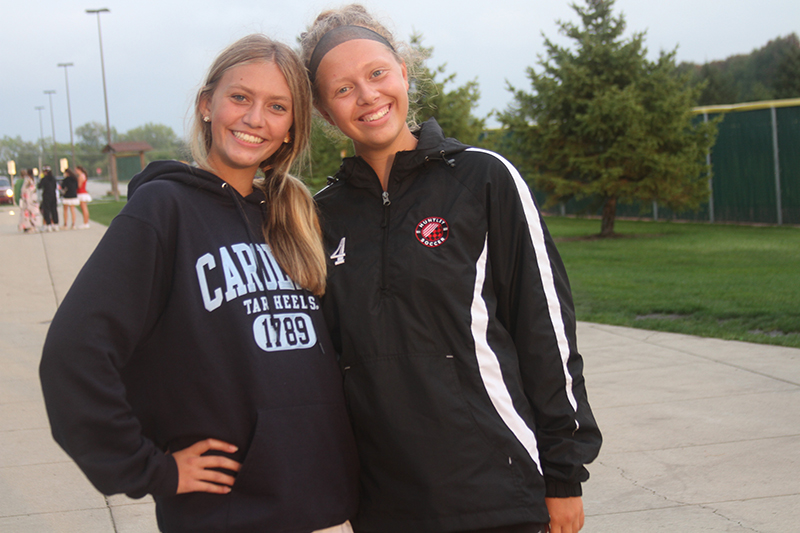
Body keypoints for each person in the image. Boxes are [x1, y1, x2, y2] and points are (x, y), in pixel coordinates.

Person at [300, 6, 602, 533]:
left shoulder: (484, 179)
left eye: (377, 73)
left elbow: (545, 332)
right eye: (343, 89)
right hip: (383, 502)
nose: (368, 95)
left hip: (497, 490)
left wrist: (563, 475)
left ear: (404, 75)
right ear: (325, 112)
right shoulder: (320, 214)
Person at [40, 34, 358, 533]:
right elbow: (74, 351)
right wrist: (148, 467)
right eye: (240, 98)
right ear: (207, 104)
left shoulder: (298, 217)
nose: (255, 118)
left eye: (277, 106)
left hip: (326, 506)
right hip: (227, 513)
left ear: (292, 128)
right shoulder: (163, 209)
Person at [38, 166, 59, 231]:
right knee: (54, 210)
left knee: (46, 210)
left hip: (46, 196)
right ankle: (56, 224)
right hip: (53, 195)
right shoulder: (53, 179)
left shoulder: (44, 179)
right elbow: (55, 187)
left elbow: (39, 186)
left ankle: (48, 224)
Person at [75, 165, 92, 229]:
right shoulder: (83, 175)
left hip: (81, 193)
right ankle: (86, 222)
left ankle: (85, 222)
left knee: (83, 208)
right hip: (83, 192)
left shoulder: (80, 176)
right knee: (85, 208)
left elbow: (79, 186)